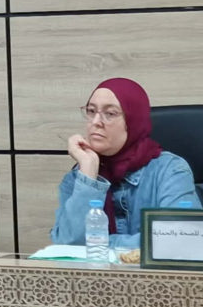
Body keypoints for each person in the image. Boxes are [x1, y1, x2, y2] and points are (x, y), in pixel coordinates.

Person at [53, 77, 201, 247]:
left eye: (110, 114)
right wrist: (88, 177)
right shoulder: (79, 175)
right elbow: (67, 243)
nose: (95, 122)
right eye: (91, 111)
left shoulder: (170, 170)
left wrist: (99, 244)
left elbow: (181, 240)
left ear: (133, 121)